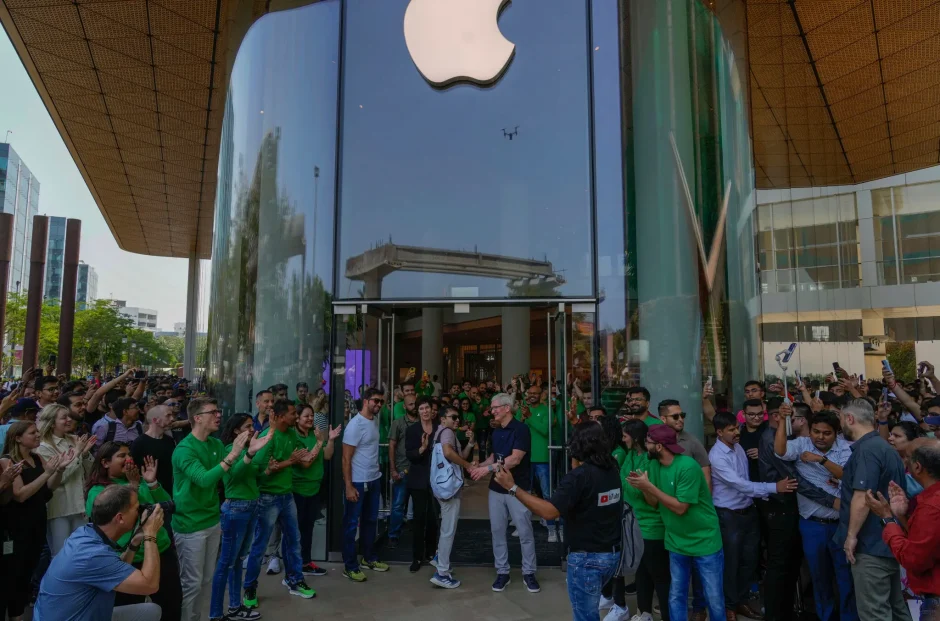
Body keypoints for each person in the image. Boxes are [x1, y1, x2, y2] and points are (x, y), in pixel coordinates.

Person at [493, 422, 622, 621]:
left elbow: (549, 512)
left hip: (587, 559)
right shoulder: (612, 468)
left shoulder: (579, 477)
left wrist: (512, 487)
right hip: (611, 555)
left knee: (585, 617)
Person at [172, 398, 270, 621]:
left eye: (218, 411)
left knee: (205, 581)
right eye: (213, 412)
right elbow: (205, 480)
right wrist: (234, 454)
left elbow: (233, 473)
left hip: (211, 520)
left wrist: (250, 453)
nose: (218, 415)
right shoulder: (184, 449)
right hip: (190, 525)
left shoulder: (215, 444)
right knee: (192, 585)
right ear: (197, 418)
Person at [626, 425, 725, 621]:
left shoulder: (687, 467)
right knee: (676, 595)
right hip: (675, 541)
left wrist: (650, 487)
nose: (646, 446)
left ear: (660, 446)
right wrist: (644, 487)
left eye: (649, 443)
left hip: (704, 540)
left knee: (713, 598)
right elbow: (654, 503)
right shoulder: (653, 465)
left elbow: (681, 507)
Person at [709, 410, 797, 620]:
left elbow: (746, 479)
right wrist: (775, 488)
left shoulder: (738, 447)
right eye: (731, 430)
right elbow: (741, 484)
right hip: (729, 515)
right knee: (731, 563)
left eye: (736, 428)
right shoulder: (716, 456)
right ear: (719, 432)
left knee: (749, 561)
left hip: (748, 511)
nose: (736, 432)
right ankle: (729, 606)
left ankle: (741, 602)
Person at [33, 486, 164, 621]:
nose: (140, 513)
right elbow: (150, 585)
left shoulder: (85, 534)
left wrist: (134, 542)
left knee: (150, 611)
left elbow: (115, 571)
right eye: (137, 509)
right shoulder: (92, 555)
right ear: (120, 518)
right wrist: (150, 533)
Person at [774, 409, 856, 621]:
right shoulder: (801, 444)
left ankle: (849, 617)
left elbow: (848, 476)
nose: (819, 437)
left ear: (836, 433)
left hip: (842, 524)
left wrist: (820, 460)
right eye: (815, 431)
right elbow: (780, 451)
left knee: (846, 577)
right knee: (819, 577)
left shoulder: (846, 448)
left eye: (826, 433)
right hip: (812, 525)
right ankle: (825, 617)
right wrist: (783, 421)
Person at [85, 442, 182, 621]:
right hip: (129, 560)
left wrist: (151, 482)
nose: (129, 459)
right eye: (122, 456)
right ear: (105, 463)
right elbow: (120, 515)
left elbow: (166, 505)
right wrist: (133, 486)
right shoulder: (98, 491)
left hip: (161, 552)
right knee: (131, 610)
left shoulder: (137, 479)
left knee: (171, 607)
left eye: (129, 454)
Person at [835, 398, 911, 621]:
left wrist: (851, 536)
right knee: (896, 609)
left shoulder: (867, 450)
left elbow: (862, 498)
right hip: (887, 541)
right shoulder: (884, 447)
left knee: (874, 613)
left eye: (841, 420)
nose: (841, 426)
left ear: (850, 419)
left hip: (871, 546)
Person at [243, 399, 317, 601]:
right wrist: (287, 462)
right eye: (293, 413)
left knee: (294, 541)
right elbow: (258, 472)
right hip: (267, 498)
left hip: (287, 495)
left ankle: (294, 580)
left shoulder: (292, 434)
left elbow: (300, 458)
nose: (296, 416)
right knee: (259, 546)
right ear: (281, 416)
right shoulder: (268, 436)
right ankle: (249, 588)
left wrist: (294, 459)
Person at [0, 421, 75, 621]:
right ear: (17, 438)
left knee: (29, 570)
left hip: (38, 520)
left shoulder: (37, 457)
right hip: (17, 526)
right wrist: (48, 473)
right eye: (32, 433)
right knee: (15, 572)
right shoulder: (8, 461)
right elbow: (20, 495)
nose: (37, 435)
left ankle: (20, 613)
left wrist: (58, 470)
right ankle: (15, 615)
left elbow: (49, 487)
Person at [469, 393, 540, 594]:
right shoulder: (496, 431)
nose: (492, 411)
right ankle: (502, 572)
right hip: (496, 488)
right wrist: (478, 466)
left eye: (495, 407)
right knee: (497, 531)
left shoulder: (521, 429)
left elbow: (515, 459)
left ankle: (529, 573)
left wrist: (487, 469)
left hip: (518, 489)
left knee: (525, 532)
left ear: (507, 408)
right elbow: (494, 456)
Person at [866, 438, 940, 621]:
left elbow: (913, 559)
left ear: (917, 467)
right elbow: (927, 543)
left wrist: (887, 519)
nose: (903, 462)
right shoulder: (929, 502)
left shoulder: (932, 507)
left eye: (907, 458)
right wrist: (901, 516)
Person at [613, 419, 668, 621]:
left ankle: (668, 615)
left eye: (625, 435)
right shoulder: (630, 455)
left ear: (635, 438)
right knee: (641, 573)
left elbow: (653, 500)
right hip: (633, 525)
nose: (622, 438)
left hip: (651, 527)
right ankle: (643, 613)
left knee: (659, 577)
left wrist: (643, 486)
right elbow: (622, 480)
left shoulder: (650, 460)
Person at [210, 414, 263, 621]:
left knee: (238, 560)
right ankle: (215, 613)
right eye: (247, 426)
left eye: (252, 425)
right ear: (235, 431)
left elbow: (256, 473)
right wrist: (248, 455)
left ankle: (235, 606)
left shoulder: (251, 445)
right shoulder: (227, 451)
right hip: (236, 509)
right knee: (225, 563)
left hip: (251, 506)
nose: (251, 429)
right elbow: (233, 476)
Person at [341, 387, 390, 582]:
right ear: (365, 400)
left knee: (371, 521)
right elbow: (346, 458)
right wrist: (349, 486)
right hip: (358, 482)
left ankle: (369, 558)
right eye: (375, 401)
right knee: (352, 525)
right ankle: (350, 566)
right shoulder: (355, 425)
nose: (378, 404)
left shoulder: (373, 421)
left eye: (381, 402)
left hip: (373, 478)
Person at [36, 404, 97, 554]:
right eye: (64, 417)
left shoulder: (74, 440)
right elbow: (58, 478)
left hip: (80, 505)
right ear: (51, 422)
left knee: (81, 551)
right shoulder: (43, 447)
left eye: (69, 416)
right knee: (61, 554)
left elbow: (89, 473)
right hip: (59, 508)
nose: (70, 420)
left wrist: (84, 454)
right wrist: (77, 452)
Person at [292, 403, 340, 576]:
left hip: (314, 489)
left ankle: (306, 562)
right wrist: (320, 443)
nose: (310, 418)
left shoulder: (315, 434)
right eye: (306, 416)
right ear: (297, 418)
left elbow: (327, 455)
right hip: (298, 491)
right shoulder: (294, 436)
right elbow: (306, 462)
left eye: (312, 415)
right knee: (296, 530)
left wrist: (331, 439)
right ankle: (294, 568)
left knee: (308, 528)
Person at [430, 404, 475, 589]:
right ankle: (442, 572)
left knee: (446, 527)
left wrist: (470, 444)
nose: (457, 420)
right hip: (449, 489)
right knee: (448, 530)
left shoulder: (444, 432)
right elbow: (449, 453)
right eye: (453, 417)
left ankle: (440, 558)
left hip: (443, 486)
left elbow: (456, 454)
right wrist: (468, 466)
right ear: (443, 419)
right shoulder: (447, 432)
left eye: (458, 418)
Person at [517, 383, 560, 541]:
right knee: (524, 494)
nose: (532, 395)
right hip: (524, 458)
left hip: (542, 458)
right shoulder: (523, 410)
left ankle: (551, 529)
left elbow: (545, 430)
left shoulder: (547, 410)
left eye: (535, 393)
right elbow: (516, 429)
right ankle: (522, 526)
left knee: (547, 493)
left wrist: (529, 417)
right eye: (530, 393)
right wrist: (522, 418)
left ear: (541, 394)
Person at [405, 396, 440, 573]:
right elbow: (409, 454)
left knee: (433, 518)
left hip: (437, 480)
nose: (425, 411)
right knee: (418, 519)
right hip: (418, 479)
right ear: (417, 411)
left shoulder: (440, 429)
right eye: (421, 409)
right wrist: (422, 449)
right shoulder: (412, 430)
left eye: (427, 408)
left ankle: (431, 552)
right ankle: (417, 556)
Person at [387, 393, 418, 548]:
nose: (414, 407)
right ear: (404, 406)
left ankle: (420, 535)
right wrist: (392, 469)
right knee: (398, 504)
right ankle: (393, 535)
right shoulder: (397, 423)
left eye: (415, 403)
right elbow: (391, 446)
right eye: (411, 404)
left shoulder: (423, 422)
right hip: (402, 468)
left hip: (419, 469)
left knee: (420, 504)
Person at [658, 400, 710, 486]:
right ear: (663, 419)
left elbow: (706, 475)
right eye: (675, 416)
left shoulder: (693, 442)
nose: (680, 419)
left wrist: (706, 498)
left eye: (682, 415)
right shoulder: (656, 441)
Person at [131, 405, 177, 496]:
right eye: (168, 415)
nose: (172, 419)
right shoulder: (139, 444)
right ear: (155, 420)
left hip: (171, 490)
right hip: (150, 492)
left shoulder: (170, 440)